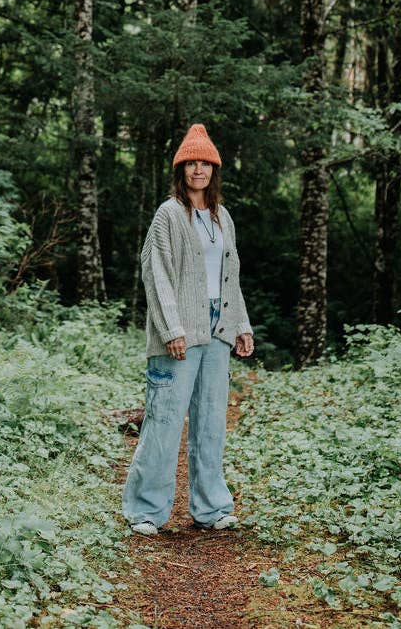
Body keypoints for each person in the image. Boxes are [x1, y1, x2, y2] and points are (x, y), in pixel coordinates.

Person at [122, 123, 255, 535]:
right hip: (179, 330)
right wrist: (171, 329)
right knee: (163, 420)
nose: (199, 170)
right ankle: (145, 511)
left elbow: (230, 275)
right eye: (191, 163)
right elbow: (156, 272)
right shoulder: (168, 215)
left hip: (217, 331)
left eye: (205, 164)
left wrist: (241, 325)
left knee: (212, 421)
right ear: (181, 170)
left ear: (214, 170)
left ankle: (211, 508)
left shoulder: (222, 217)